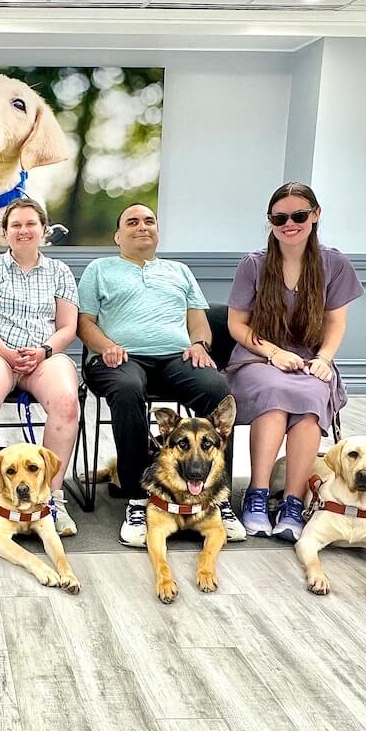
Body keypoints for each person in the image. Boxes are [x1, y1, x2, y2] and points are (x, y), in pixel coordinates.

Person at [78, 203, 246, 548]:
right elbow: (84, 323)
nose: (143, 226)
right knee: (126, 388)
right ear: (117, 235)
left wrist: (201, 344)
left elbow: (198, 319)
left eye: (149, 221)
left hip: (176, 358)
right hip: (121, 358)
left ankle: (217, 498)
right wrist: (106, 345)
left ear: (157, 231)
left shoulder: (179, 271)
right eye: (133, 222)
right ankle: (139, 500)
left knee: (216, 387)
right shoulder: (100, 269)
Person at [228, 181, 363, 542]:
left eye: (299, 215)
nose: (290, 223)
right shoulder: (253, 265)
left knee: (310, 400)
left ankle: (292, 502)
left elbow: (336, 323)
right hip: (258, 358)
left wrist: (324, 360)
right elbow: (236, 325)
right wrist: (273, 352)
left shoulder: (334, 264)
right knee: (273, 396)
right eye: (279, 217)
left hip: (310, 359)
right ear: (270, 221)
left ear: (315, 216)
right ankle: (256, 496)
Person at [0, 198, 80, 543]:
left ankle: (52, 500)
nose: (24, 231)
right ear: (5, 232)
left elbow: (68, 327)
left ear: (43, 229)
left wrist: (43, 351)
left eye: (30, 224)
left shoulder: (60, 272)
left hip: (43, 354)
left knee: (67, 400)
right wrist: (8, 354)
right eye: (16, 225)